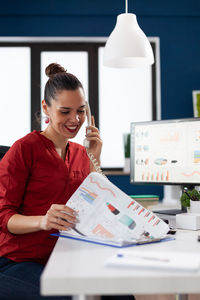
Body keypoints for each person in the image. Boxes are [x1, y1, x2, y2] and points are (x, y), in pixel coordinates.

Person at [0, 63, 102, 300]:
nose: (75, 119)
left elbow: (94, 205)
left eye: (81, 110)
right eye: (65, 111)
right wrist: (44, 221)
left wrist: (94, 157)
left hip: (65, 256)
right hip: (18, 260)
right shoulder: (24, 149)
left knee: (119, 294)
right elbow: (3, 216)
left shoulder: (81, 152)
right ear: (46, 107)